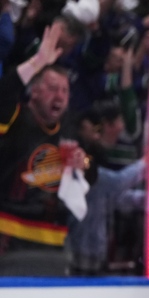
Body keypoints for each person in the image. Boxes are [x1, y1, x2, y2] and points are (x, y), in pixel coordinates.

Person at [0, 24, 94, 275]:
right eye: (53, 89)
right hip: (9, 234)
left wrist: (82, 163)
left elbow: (91, 172)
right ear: (34, 91)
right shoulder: (16, 118)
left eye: (65, 90)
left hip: (53, 239)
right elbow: (5, 93)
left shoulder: (69, 127)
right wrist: (38, 62)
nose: (60, 96)